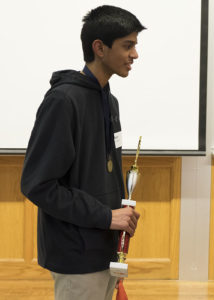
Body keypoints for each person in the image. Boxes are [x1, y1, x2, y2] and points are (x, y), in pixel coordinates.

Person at [21, 5, 145, 300]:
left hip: (105, 250)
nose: (135, 55)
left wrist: (117, 221)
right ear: (99, 48)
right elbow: (37, 185)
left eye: (135, 46)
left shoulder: (109, 101)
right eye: (127, 46)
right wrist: (105, 216)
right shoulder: (63, 102)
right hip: (75, 256)